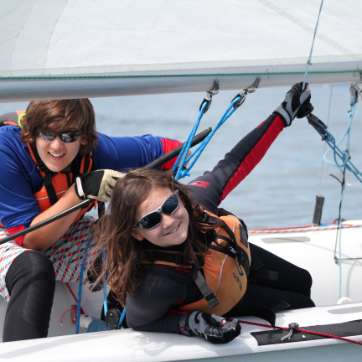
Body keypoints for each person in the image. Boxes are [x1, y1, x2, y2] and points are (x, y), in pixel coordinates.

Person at [91, 83, 315, 344]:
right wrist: (192, 323)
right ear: (138, 233)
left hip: (228, 261)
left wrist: (283, 114)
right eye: (151, 220)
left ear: (179, 196)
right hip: (207, 292)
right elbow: (141, 322)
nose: (169, 221)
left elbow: (236, 161)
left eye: (169, 206)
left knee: (303, 280)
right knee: (302, 303)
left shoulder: (198, 202)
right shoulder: (154, 285)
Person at [0, 99, 182, 342]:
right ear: (31, 134)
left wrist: (141, 197)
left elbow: (175, 150)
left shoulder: (98, 151)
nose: (57, 147)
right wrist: (81, 190)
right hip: (13, 239)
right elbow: (30, 241)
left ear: (84, 138)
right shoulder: (6, 149)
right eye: (47, 134)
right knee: (34, 268)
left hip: (58, 233)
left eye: (68, 135)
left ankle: (125, 329)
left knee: (135, 240)